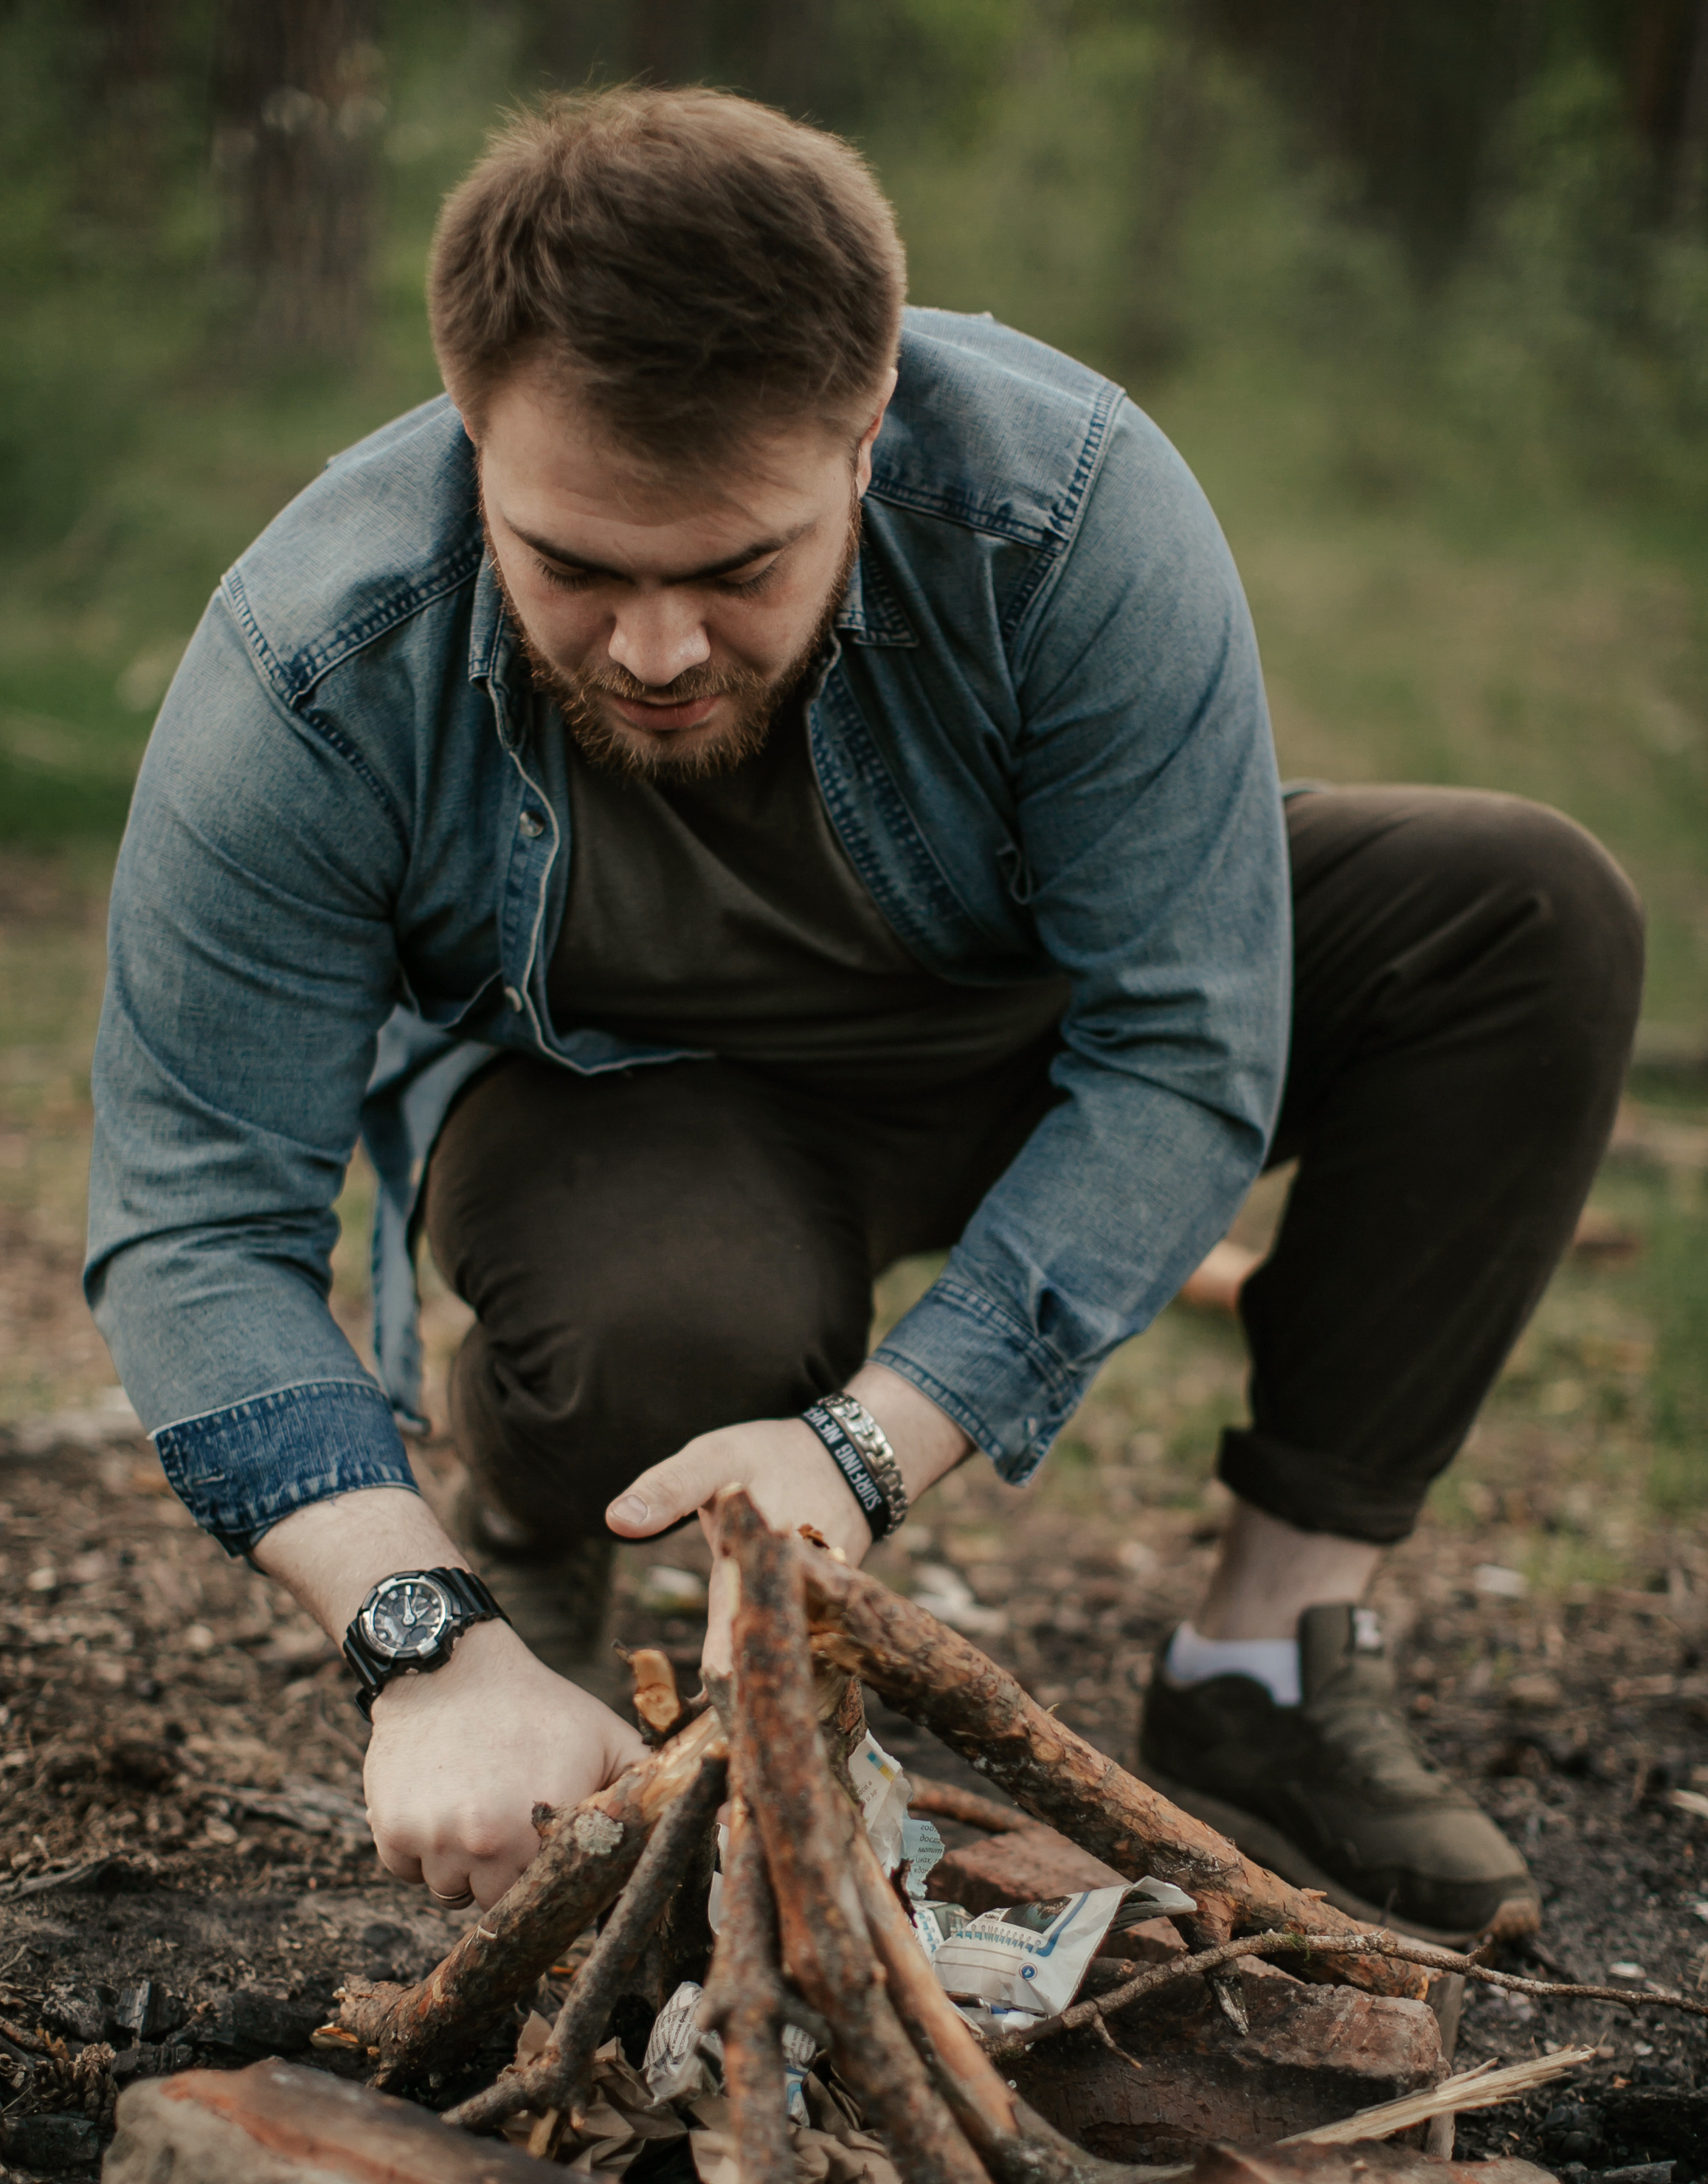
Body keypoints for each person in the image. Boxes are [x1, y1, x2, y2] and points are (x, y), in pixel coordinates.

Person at [87, 87, 1642, 1941]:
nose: (654, 654)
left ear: (870, 423)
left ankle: (1267, 1663)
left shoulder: (1061, 509)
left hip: (1029, 1028)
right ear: (470, 424)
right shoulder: (316, 662)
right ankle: (519, 1564)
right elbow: (192, 1216)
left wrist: (866, 1445)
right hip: (641, 1106)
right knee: (672, 1317)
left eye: (740, 566)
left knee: (1520, 910)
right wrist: (417, 1644)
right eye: (573, 566)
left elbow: (1182, 1041)